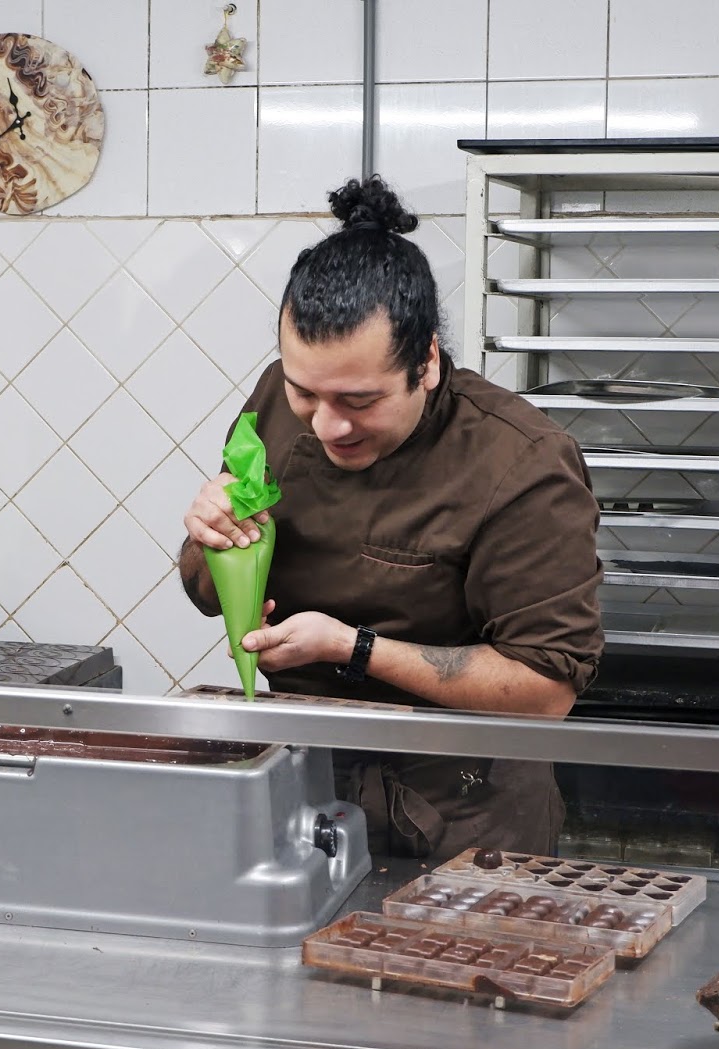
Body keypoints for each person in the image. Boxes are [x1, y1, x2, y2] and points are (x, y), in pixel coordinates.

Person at [178, 176, 603, 862]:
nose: (327, 423)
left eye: (360, 399)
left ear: (426, 362)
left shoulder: (523, 465)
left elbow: (544, 692)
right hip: (300, 788)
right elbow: (207, 590)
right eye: (304, 391)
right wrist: (210, 539)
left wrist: (351, 647)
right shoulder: (281, 404)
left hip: (466, 813)